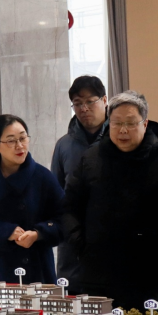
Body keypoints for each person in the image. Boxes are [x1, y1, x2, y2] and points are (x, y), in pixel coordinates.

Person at [62, 91, 158, 310]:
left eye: (131, 123)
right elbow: (70, 206)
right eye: (116, 123)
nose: (123, 130)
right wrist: (82, 244)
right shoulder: (91, 158)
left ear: (145, 123)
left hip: (147, 274)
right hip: (99, 272)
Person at [0, 114, 64, 284]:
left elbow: (64, 219)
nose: (19, 146)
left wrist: (39, 233)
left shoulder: (43, 177)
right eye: (11, 141)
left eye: (23, 138)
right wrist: (5, 231)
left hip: (37, 270)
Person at [51, 76, 109, 289]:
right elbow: (56, 195)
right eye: (77, 103)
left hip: (109, 240)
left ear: (105, 100)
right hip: (73, 247)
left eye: (90, 101)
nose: (84, 109)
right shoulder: (64, 145)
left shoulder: (119, 139)